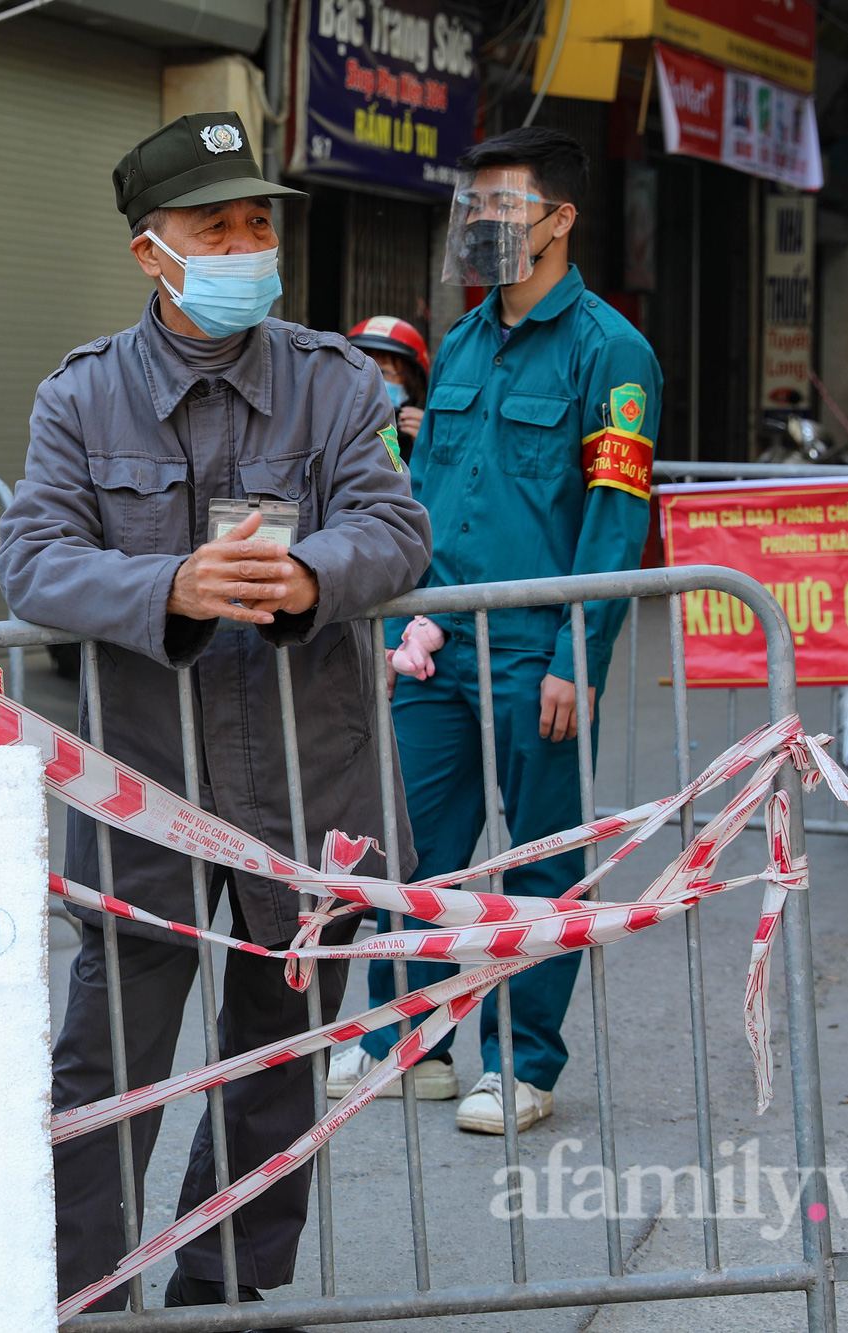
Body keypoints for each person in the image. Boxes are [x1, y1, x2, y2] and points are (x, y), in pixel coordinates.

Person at [0, 112, 432, 1316]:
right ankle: (81, 1288)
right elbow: (30, 560)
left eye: (257, 221)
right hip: (147, 782)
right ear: (151, 250)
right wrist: (165, 586)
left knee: (276, 1065)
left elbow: (394, 527)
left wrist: (310, 575)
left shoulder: (335, 380)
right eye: (214, 225)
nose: (246, 241)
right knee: (107, 1066)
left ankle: (227, 1287)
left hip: (311, 782)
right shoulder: (80, 399)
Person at [331, 128, 662, 1133]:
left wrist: (576, 654)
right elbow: (427, 495)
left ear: (558, 220)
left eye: (500, 208)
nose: (477, 225)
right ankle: (408, 1042)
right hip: (439, 645)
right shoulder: (465, 339)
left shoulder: (612, 351)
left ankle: (519, 1063)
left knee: (538, 860)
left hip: (533, 654)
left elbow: (613, 522)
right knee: (411, 849)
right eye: (469, 207)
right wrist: (402, 627)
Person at [345, 315, 429, 459]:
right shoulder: (332, 428)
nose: (371, 378)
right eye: (360, 368)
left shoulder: (421, 434)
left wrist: (428, 451)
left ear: (411, 383)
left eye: (384, 371)